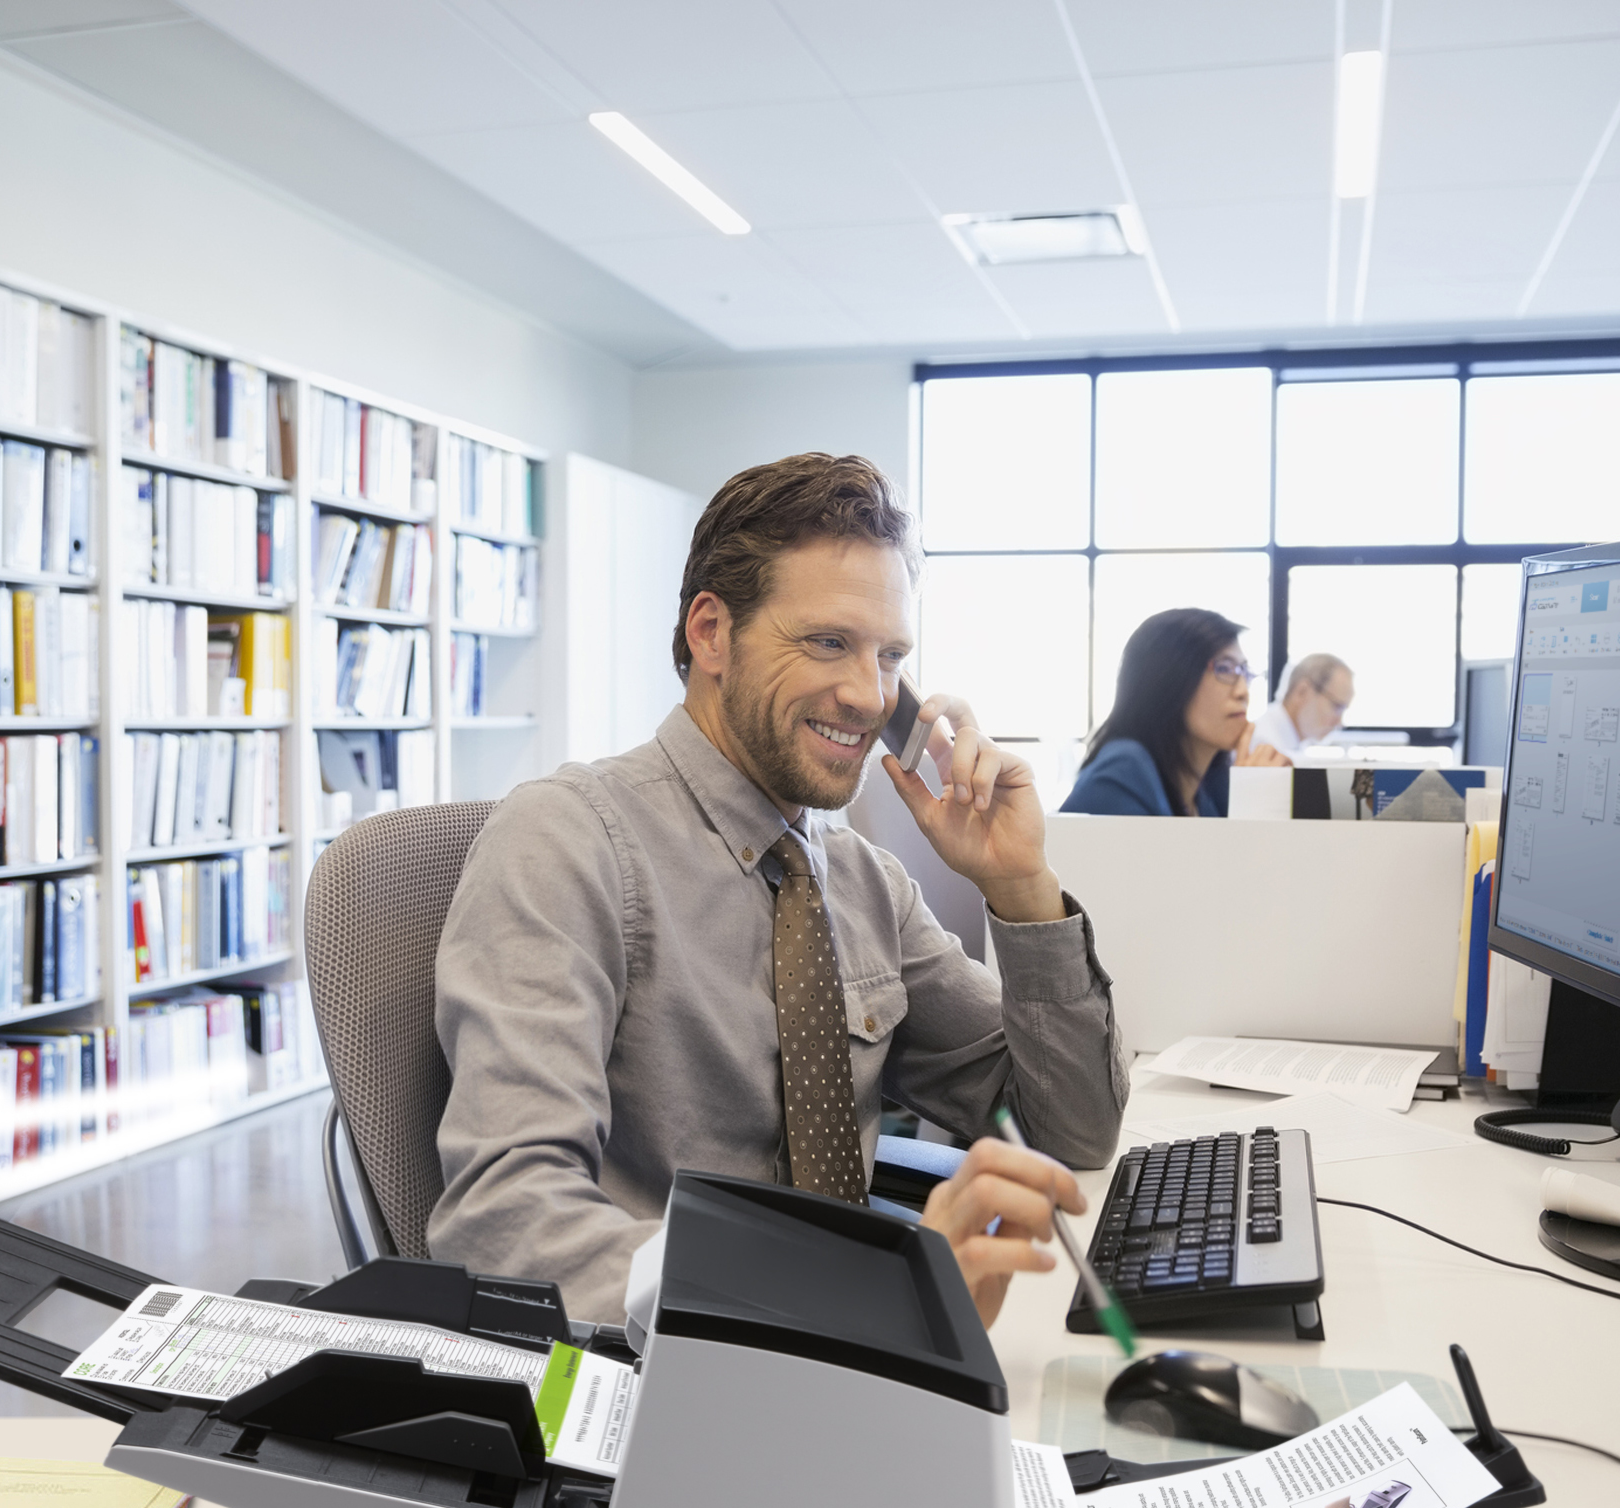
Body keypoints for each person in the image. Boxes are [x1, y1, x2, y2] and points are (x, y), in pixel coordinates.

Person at [430, 453, 1130, 1326]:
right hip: (663, 1378)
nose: (869, 695)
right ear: (711, 633)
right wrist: (844, 1301)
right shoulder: (568, 841)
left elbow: (1074, 1132)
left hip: (856, 1358)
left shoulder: (865, 883)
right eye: (829, 642)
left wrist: (1020, 885)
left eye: (890, 656)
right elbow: (506, 1227)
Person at [1059, 608, 1288, 818]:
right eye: (1224, 669)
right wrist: (1251, 804)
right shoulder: (1124, 770)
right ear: (1169, 679)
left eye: (1243, 671)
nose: (1242, 692)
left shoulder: (1209, 782)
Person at [1249, 652, 1355, 762]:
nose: (1339, 722)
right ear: (1302, 691)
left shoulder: (1289, 743)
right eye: (1337, 707)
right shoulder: (1264, 746)